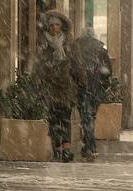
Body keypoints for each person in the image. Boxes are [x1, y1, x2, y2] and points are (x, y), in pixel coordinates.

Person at [32, 10, 86, 162]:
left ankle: (66, 149)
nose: (54, 28)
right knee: (53, 120)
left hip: (66, 88)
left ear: (62, 27)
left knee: (65, 119)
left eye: (57, 25)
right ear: (48, 27)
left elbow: (77, 64)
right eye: (51, 25)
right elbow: (38, 67)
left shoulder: (70, 44)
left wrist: (81, 83)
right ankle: (57, 149)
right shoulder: (44, 46)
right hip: (49, 89)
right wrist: (36, 84)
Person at [74, 26, 112, 161]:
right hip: (96, 88)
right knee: (90, 117)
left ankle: (89, 147)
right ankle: (90, 147)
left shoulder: (76, 47)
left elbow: (72, 68)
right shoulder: (100, 50)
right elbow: (108, 71)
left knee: (86, 118)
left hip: (82, 87)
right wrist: (103, 86)